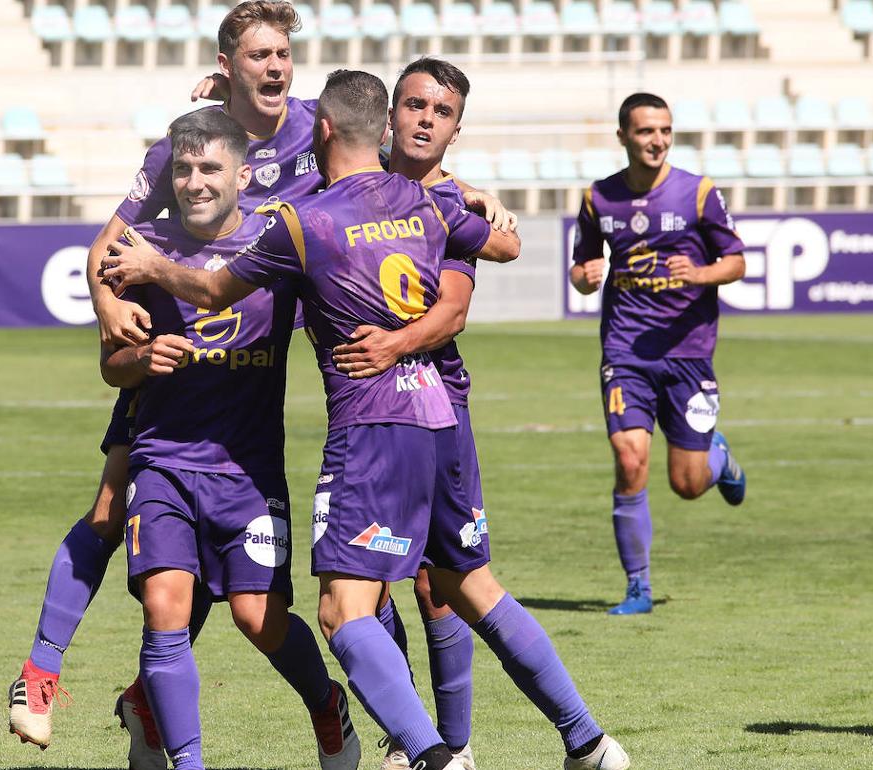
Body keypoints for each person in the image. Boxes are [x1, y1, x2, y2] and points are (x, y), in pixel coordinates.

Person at [103, 68, 631, 770]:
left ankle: (430, 755)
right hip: (443, 416)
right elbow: (504, 245)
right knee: (471, 586)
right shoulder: (426, 199)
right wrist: (471, 198)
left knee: (342, 615)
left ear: (322, 129)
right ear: (381, 129)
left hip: (373, 426)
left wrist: (149, 262)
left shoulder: (305, 221)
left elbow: (209, 287)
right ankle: (590, 744)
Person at [100, 109, 358, 770]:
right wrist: (140, 358)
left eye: (209, 167)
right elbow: (111, 365)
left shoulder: (277, 244)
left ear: (242, 174)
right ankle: (188, 761)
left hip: (249, 472)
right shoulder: (140, 245)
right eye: (183, 169)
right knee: (165, 604)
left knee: (256, 616)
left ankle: (327, 704)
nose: (194, 181)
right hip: (163, 463)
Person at [332, 56, 487, 770]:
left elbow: (468, 291)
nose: (426, 119)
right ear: (390, 113)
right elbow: (310, 114)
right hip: (369, 409)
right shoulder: (345, 178)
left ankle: (450, 746)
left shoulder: (452, 200)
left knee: (437, 583)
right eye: (415, 105)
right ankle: (411, 736)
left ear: (457, 127)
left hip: (439, 400)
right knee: (370, 579)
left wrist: (481, 206)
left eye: (442, 110)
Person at [569, 92, 747, 615]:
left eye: (665, 130)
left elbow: (735, 261)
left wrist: (701, 273)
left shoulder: (697, 194)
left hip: (688, 353)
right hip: (625, 352)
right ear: (623, 136)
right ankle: (637, 589)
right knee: (630, 459)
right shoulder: (599, 198)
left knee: (688, 484)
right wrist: (586, 276)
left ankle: (718, 458)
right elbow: (580, 271)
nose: (658, 140)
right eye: (646, 131)